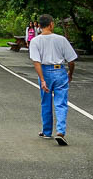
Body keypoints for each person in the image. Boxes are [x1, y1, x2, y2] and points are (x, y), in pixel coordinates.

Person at [29, 13, 78, 146]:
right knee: (61, 102)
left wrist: (43, 79)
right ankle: (60, 131)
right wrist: (70, 73)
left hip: (44, 71)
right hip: (60, 71)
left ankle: (47, 131)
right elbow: (72, 60)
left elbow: (36, 62)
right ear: (51, 24)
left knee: (46, 101)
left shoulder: (35, 41)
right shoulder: (61, 39)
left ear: (39, 26)